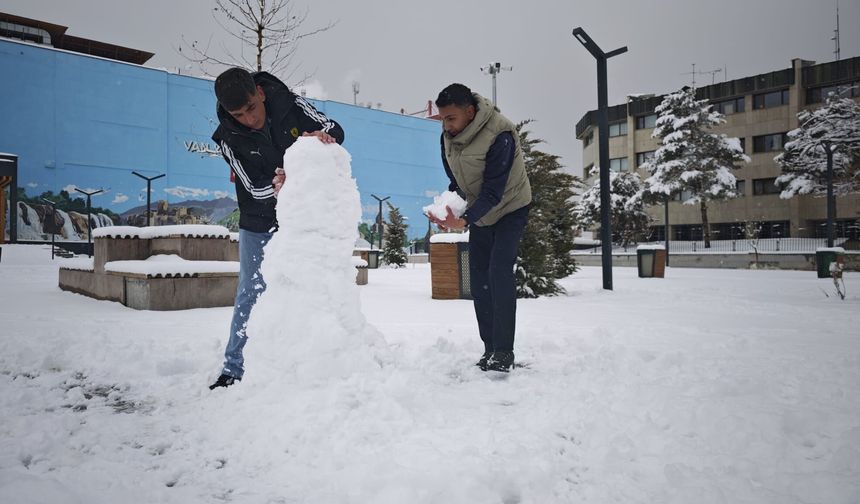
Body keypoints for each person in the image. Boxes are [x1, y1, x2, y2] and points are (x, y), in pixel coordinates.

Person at [209, 68, 344, 389]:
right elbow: (253, 188)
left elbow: (334, 128)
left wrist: (322, 137)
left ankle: (314, 362)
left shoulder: (290, 105)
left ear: (261, 94)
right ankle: (234, 366)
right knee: (250, 292)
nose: (248, 119)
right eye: (237, 114)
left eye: (251, 108)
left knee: (315, 288)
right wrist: (283, 184)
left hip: (303, 219)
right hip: (259, 222)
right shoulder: (227, 137)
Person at [428, 83, 531, 373]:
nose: (446, 126)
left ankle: (503, 351)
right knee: (479, 278)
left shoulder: (500, 134)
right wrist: (449, 207)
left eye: (452, 118)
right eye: (443, 119)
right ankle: (489, 349)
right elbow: (457, 179)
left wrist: (464, 219)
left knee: (499, 271)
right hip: (481, 212)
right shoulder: (447, 137)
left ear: (470, 112)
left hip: (510, 207)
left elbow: (494, 191)